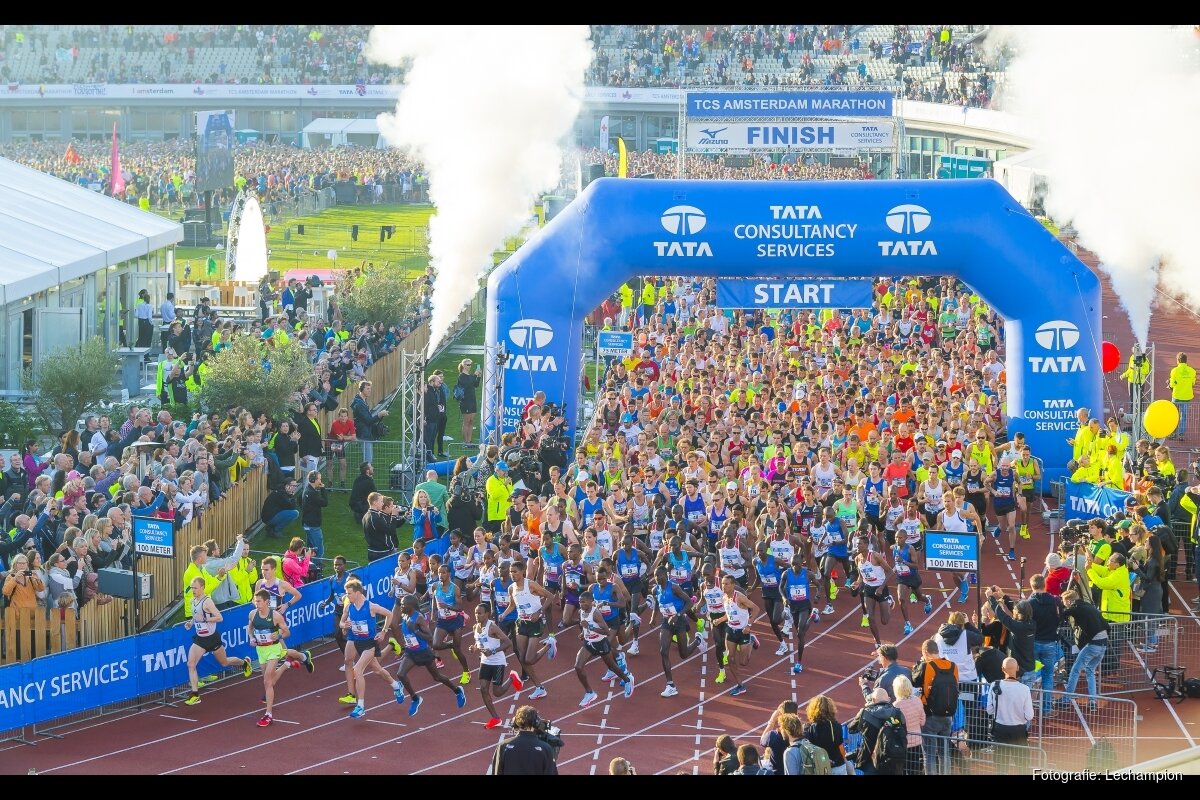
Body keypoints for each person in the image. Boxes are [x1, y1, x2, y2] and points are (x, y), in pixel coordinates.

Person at [384, 593, 467, 717]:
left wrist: (416, 630)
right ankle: (415, 698)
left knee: (437, 677)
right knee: (400, 674)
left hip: (423, 652)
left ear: (410, 606)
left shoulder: (418, 618)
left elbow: (429, 637)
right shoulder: (404, 616)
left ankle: (457, 691)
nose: (400, 606)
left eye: (403, 604)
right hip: (410, 652)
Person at [182, 576, 253, 706]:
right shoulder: (193, 601)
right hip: (200, 639)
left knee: (224, 663)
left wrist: (204, 620)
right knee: (191, 664)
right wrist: (191, 623)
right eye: (192, 588)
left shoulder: (207, 602)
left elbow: (219, 618)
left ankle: (244, 663)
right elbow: (196, 616)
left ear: (202, 587)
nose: (193, 590)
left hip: (212, 638)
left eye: (195, 588)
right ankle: (195, 694)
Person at [339, 579, 405, 719]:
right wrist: (344, 625)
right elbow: (341, 622)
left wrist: (383, 631)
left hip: (369, 643)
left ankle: (360, 706)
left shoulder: (371, 607)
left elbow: (389, 614)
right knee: (377, 669)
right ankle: (396, 686)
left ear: (357, 593)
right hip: (356, 641)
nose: (347, 596)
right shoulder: (348, 607)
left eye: (349, 593)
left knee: (357, 670)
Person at [499, 559, 558, 700]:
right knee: (522, 658)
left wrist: (539, 612)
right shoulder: (511, 588)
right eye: (511, 572)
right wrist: (504, 614)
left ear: (522, 572)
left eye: (515, 572)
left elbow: (550, 596)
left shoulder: (530, 585)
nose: (512, 574)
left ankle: (549, 644)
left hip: (535, 624)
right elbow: (512, 605)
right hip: (521, 623)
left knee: (529, 659)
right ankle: (539, 687)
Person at [573, 590, 634, 706]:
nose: (581, 604)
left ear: (591, 602)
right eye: (580, 602)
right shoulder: (581, 611)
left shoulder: (595, 613)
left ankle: (627, 679)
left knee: (612, 666)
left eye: (583, 602)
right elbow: (583, 625)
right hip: (588, 643)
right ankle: (589, 693)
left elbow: (606, 631)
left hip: (601, 643)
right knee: (578, 666)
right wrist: (584, 633)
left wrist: (590, 627)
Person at [470, 602, 524, 729]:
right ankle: (495, 718)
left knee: (497, 692)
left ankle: (512, 677)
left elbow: (508, 642)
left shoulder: (492, 627)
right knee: (483, 689)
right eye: (476, 613)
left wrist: (493, 651)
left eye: (480, 613)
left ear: (487, 614)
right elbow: (479, 643)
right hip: (485, 661)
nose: (477, 615)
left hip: (497, 662)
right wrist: (474, 648)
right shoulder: (475, 627)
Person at [911, 637, 959, 776]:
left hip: (930, 715)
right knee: (945, 754)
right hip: (948, 714)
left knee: (929, 755)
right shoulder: (953, 666)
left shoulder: (926, 666)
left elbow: (914, 681)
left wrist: (919, 664)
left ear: (925, 652)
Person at [247, 589, 294, 728]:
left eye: (259, 602)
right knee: (269, 681)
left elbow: (287, 632)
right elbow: (249, 629)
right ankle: (286, 665)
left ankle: (268, 714)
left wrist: (278, 636)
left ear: (267, 602)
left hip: (274, 649)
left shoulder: (276, 616)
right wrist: (251, 638)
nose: (257, 604)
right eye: (255, 601)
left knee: (267, 681)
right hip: (261, 651)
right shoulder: (252, 614)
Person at [651, 564, 700, 698]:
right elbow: (657, 603)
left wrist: (678, 615)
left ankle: (698, 640)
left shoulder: (674, 587)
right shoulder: (655, 590)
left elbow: (689, 603)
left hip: (679, 622)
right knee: (663, 651)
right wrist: (653, 617)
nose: (656, 578)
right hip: (666, 622)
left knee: (683, 654)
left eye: (659, 576)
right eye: (655, 576)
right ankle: (670, 685)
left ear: (665, 576)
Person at [1055, 589, 1108, 711]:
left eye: (1064, 602)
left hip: (1093, 645)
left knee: (1075, 670)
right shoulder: (1088, 605)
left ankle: (1066, 699)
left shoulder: (1076, 608)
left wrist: (1058, 607)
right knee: (1090, 670)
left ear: (1068, 601)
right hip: (1103, 644)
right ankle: (1093, 701)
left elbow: (1063, 614)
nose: (1064, 604)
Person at [987, 656, 1035, 774]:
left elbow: (989, 710)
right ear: (1018, 668)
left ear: (1002, 669)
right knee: (1022, 766)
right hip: (1018, 731)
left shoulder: (994, 685)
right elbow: (1029, 716)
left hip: (1000, 729)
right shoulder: (1024, 689)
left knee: (1001, 767)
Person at [848, 687, 904, 776]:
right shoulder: (897, 713)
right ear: (889, 699)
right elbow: (904, 732)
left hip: (871, 760)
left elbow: (851, 729)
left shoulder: (865, 713)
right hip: (893, 760)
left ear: (873, 700)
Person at [721, 572, 760, 697]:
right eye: (722, 584)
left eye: (726, 584)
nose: (724, 586)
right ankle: (740, 685)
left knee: (743, 662)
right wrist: (720, 620)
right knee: (729, 659)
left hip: (743, 631)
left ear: (733, 585)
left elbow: (756, 609)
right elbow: (730, 614)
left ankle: (752, 640)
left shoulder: (740, 597)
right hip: (731, 630)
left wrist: (749, 626)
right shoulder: (724, 598)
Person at [491, 705, 558, 775]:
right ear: (536, 723)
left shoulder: (503, 746)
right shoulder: (546, 748)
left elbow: (496, 772)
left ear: (514, 723)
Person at [803, 695, 849, 775]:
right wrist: (845, 760)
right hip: (838, 766)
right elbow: (840, 747)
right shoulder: (836, 726)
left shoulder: (809, 728)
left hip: (820, 768)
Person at [351, 380, 388, 464]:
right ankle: (366, 475)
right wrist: (380, 414)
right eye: (367, 388)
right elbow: (368, 420)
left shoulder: (362, 402)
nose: (369, 390)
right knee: (368, 461)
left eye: (370, 388)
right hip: (364, 435)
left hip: (366, 433)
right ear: (361, 389)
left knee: (368, 460)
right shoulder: (359, 404)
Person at [300, 470, 329, 560]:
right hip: (313, 525)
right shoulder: (312, 493)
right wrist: (323, 489)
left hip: (307, 523)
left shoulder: (307, 490)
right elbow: (325, 503)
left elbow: (298, 500)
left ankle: (308, 567)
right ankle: (317, 568)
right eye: (319, 479)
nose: (320, 481)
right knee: (318, 550)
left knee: (310, 549)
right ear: (314, 480)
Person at [455, 359, 482, 446]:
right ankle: (465, 441)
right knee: (466, 422)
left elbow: (475, 385)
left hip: (472, 400)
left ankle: (469, 441)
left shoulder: (470, 376)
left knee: (471, 421)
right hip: (465, 401)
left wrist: (478, 376)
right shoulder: (461, 376)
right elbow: (467, 384)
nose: (470, 366)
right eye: (468, 365)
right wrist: (475, 375)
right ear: (463, 366)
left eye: (470, 364)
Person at [1169, 352, 1195, 440]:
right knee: (1184, 416)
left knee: (1174, 415)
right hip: (1187, 396)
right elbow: (1193, 383)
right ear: (1186, 360)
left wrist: (1170, 384)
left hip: (1176, 396)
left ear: (1178, 360)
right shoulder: (1192, 371)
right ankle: (1181, 434)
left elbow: (1172, 384)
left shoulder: (1174, 371)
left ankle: (1173, 433)